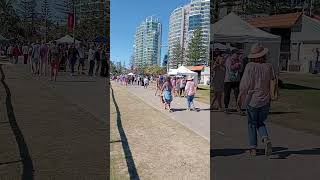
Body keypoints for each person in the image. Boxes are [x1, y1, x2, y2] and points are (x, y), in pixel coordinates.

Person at [237, 43, 274, 157]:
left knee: (252, 124)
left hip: (253, 99)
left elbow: (244, 85)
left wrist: (240, 98)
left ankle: (253, 148)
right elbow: (273, 81)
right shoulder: (269, 66)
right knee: (260, 122)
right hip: (266, 99)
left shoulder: (250, 66)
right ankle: (265, 138)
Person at [224, 49, 242, 114]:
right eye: (237, 54)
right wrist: (237, 65)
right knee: (227, 95)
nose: (238, 55)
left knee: (237, 94)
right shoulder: (228, 60)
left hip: (236, 80)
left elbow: (240, 70)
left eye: (239, 54)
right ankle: (226, 108)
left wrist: (239, 64)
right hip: (228, 80)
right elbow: (230, 68)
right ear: (233, 54)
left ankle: (238, 108)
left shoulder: (239, 60)